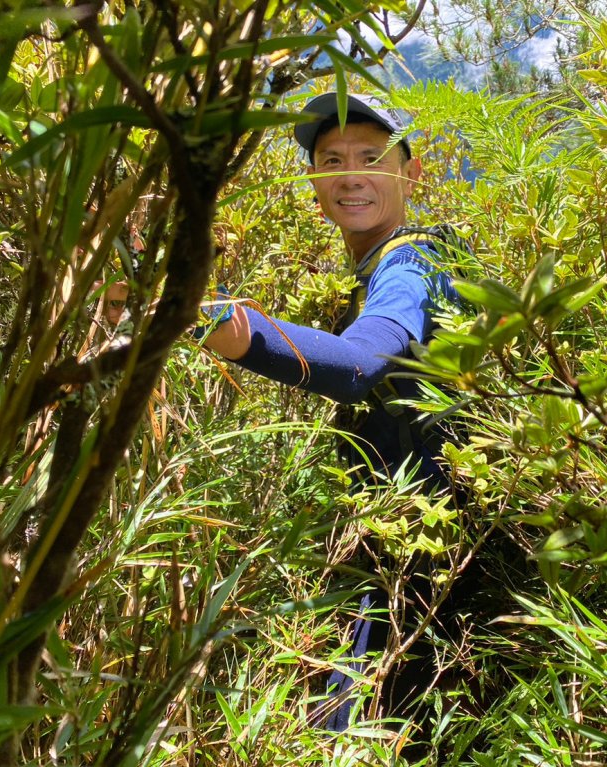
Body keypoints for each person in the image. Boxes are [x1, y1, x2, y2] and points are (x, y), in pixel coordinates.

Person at [199, 92, 464, 732]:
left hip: (417, 557)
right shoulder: (376, 264)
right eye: (330, 159)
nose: (350, 174)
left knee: (343, 732)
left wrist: (222, 326)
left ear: (412, 170)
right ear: (313, 179)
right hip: (408, 549)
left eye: (372, 156)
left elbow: (358, 363)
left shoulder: (412, 261)